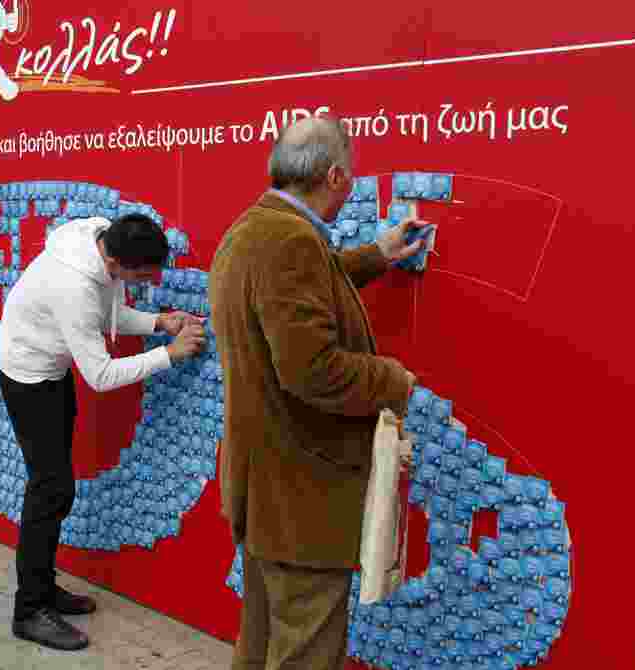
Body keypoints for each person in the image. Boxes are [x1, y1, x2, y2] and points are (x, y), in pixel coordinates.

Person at [208, 116, 426, 670]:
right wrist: (393, 381)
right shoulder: (290, 240)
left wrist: (377, 254)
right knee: (306, 652)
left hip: (266, 491)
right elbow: (311, 369)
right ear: (334, 176)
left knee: (259, 645)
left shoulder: (257, 228)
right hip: (300, 499)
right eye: (348, 176)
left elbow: (304, 292)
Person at [0, 212, 205, 651]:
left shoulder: (98, 237)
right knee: (49, 491)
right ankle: (29, 610)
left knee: (57, 488)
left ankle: (43, 589)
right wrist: (170, 353)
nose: (149, 280)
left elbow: (106, 310)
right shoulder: (73, 287)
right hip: (27, 378)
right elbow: (102, 375)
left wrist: (156, 322)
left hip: (50, 371)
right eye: (144, 274)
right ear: (118, 266)